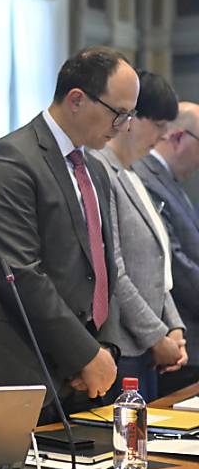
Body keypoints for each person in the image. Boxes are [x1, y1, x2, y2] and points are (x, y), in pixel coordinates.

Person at [0, 46, 139, 422]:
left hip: (83, 377)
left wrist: (103, 350)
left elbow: (104, 272)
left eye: (129, 116)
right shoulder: (11, 159)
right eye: (118, 113)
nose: (122, 126)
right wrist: (84, 354)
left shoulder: (96, 170)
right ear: (76, 99)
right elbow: (21, 274)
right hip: (19, 367)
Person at [92, 70, 187, 402]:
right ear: (132, 117)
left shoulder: (132, 174)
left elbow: (158, 265)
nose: (162, 136)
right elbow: (114, 267)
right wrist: (157, 336)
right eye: (158, 125)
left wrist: (174, 329)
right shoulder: (100, 168)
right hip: (126, 344)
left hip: (148, 346)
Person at [134, 101, 199, 396]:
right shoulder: (144, 177)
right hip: (171, 339)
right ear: (178, 136)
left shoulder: (172, 181)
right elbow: (170, 261)